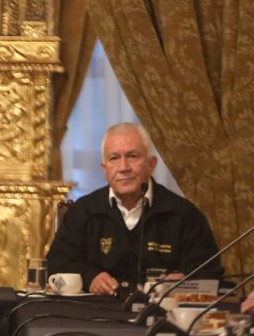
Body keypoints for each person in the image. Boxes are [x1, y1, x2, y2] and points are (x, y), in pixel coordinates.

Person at [47, 123, 222, 296]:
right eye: (114, 158)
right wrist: (90, 277)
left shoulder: (183, 214)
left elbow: (210, 273)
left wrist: (184, 280)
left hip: (161, 317)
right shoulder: (84, 212)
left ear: (151, 164)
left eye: (132, 156)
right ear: (105, 168)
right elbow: (56, 264)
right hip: (96, 315)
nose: (123, 167)